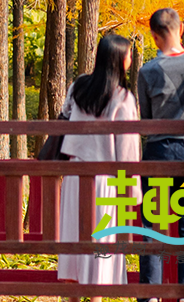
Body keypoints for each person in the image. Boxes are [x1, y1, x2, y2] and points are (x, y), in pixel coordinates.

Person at [137, 7, 184, 295]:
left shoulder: (147, 71)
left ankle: (151, 295)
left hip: (158, 151)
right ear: (181, 29)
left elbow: (146, 120)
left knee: (152, 228)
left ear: (155, 37)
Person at [57, 32, 140, 298]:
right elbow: (127, 150)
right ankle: (96, 296)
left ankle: (71, 295)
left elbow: (65, 114)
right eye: (128, 54)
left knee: (73, 234)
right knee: (102, 238)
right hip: (105, 180)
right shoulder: (123, 98)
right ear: (119, 59)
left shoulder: (79, 86)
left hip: (74, 175)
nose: (130, 58)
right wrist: (132, 193)